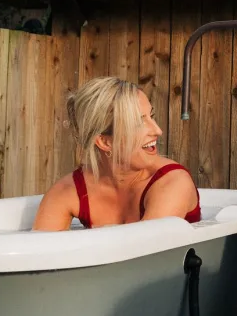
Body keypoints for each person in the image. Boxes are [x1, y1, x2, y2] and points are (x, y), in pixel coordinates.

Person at [33, 77, 200, 230]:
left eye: (152, 116)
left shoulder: (172, 182)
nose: (157, 130)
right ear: (105, 142)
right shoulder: (68, 191)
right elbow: (39, 256)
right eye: (139, 122)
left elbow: (146, 255)